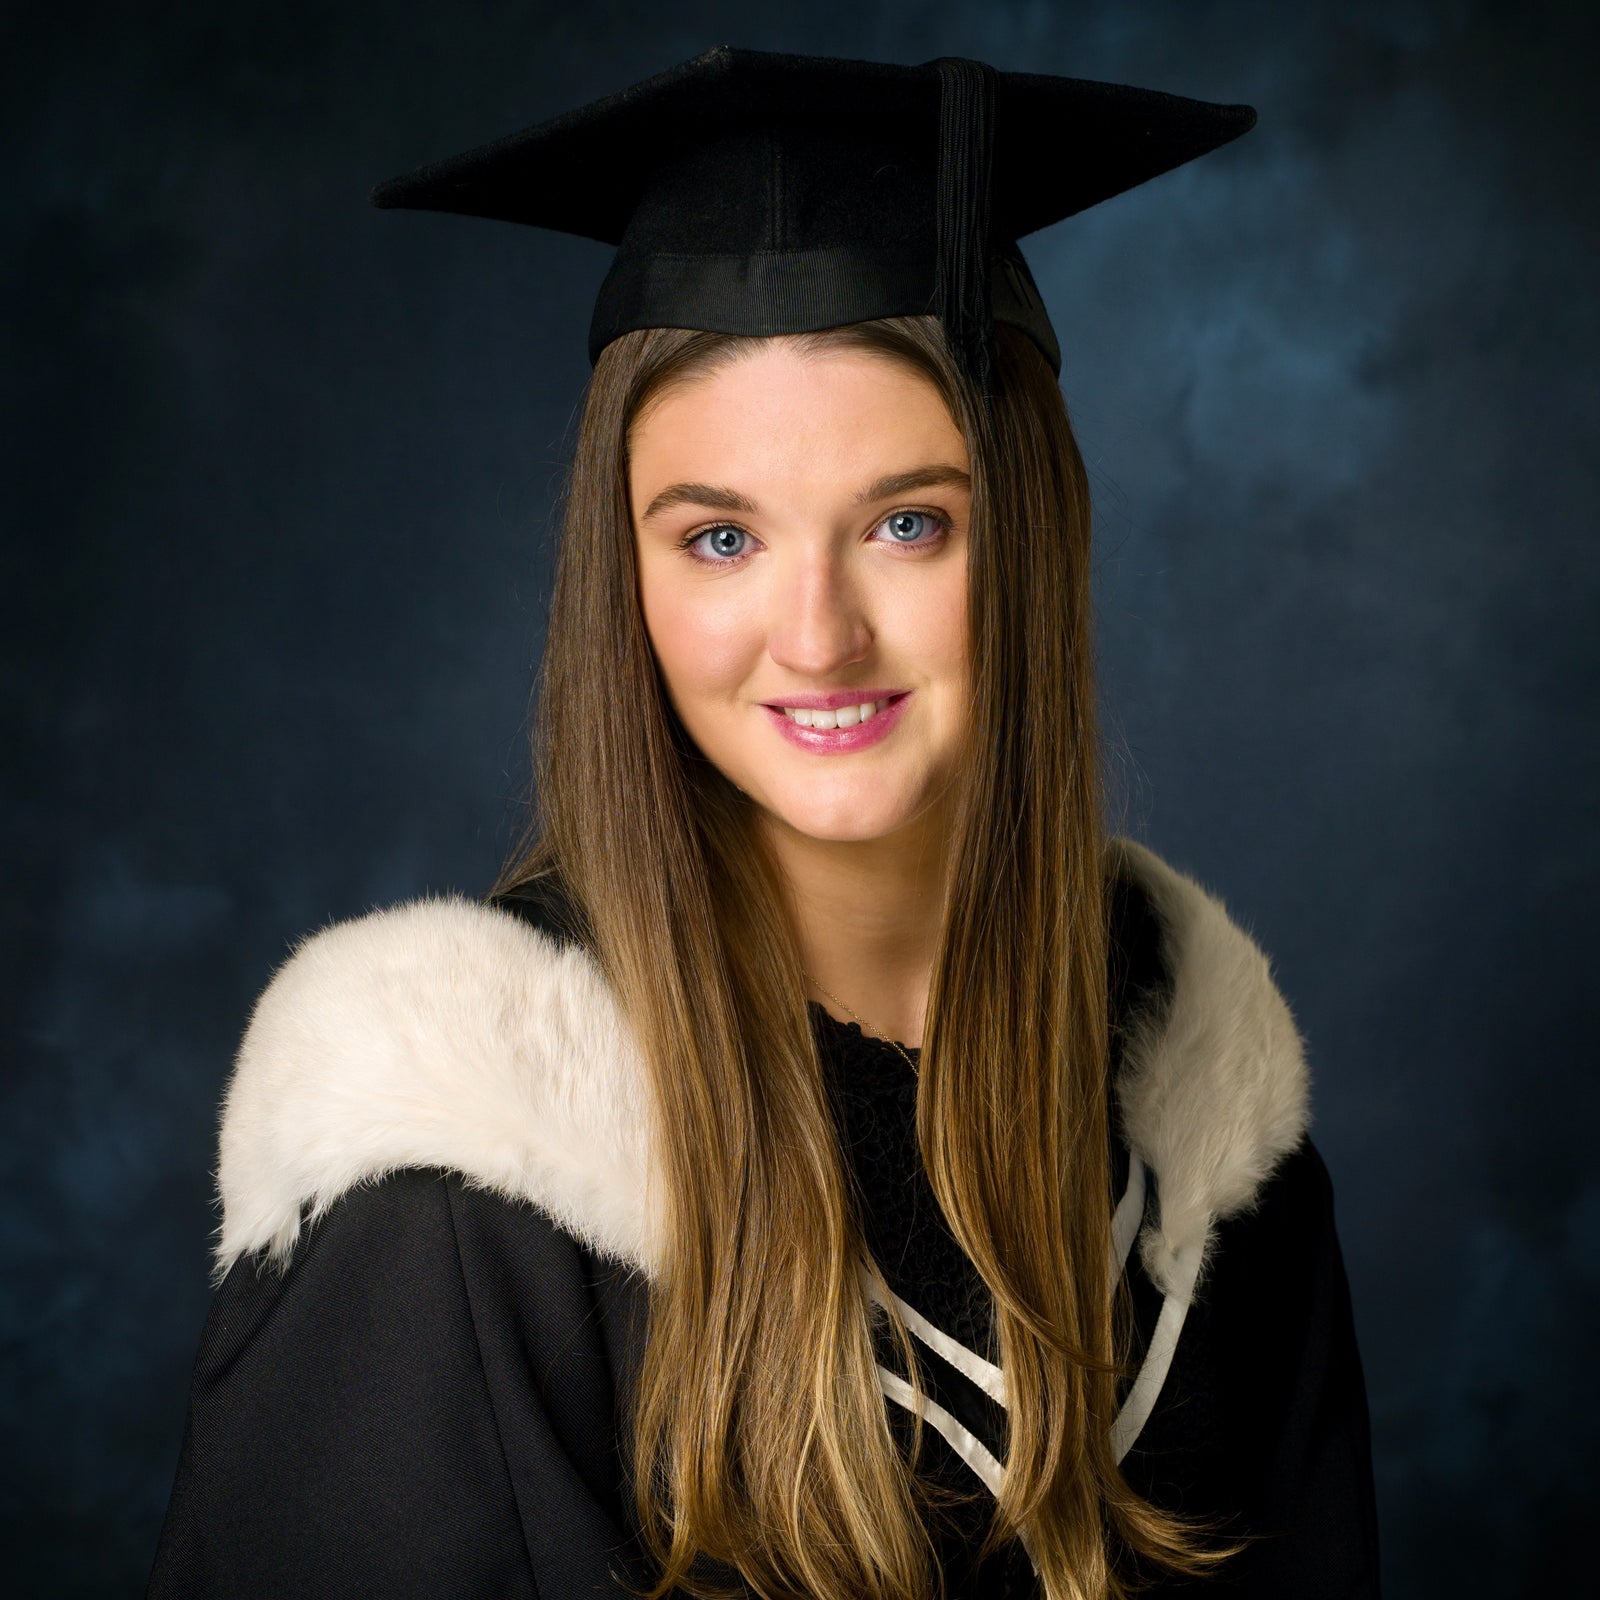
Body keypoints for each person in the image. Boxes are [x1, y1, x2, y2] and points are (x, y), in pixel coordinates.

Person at [146, 46, 1380, 1600]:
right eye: (719, 536)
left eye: (906, 524)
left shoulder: (1196, 1118)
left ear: (1037, 533)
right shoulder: (461, 1186)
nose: (815, 635)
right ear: (630, 576)